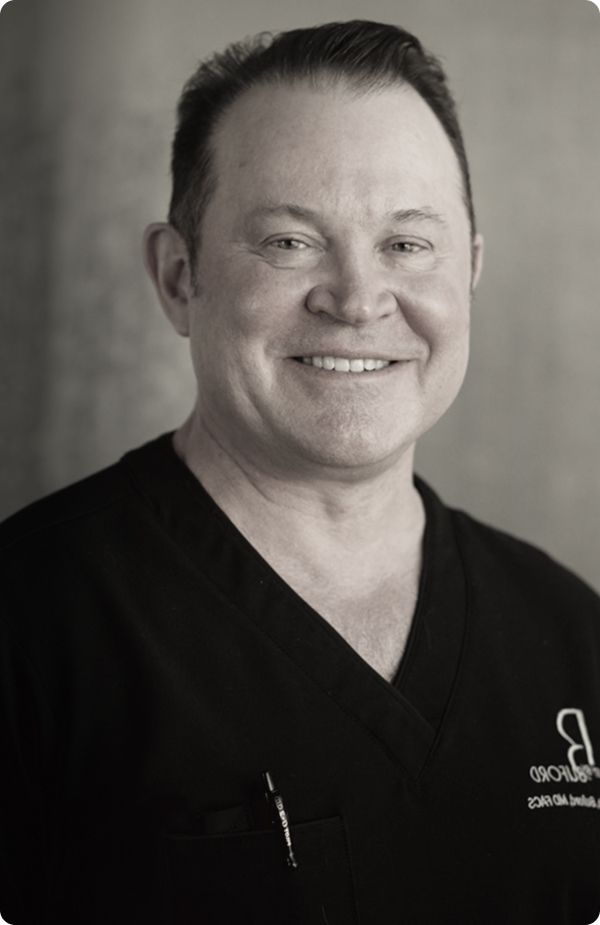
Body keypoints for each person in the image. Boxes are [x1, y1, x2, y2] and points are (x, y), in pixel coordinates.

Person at [1, 19, 599, 925]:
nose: (358, 299)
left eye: (408, 243)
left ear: (469, 271)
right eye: (289, 241)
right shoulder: (28, 622)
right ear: (177, 277)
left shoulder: (574, 634)